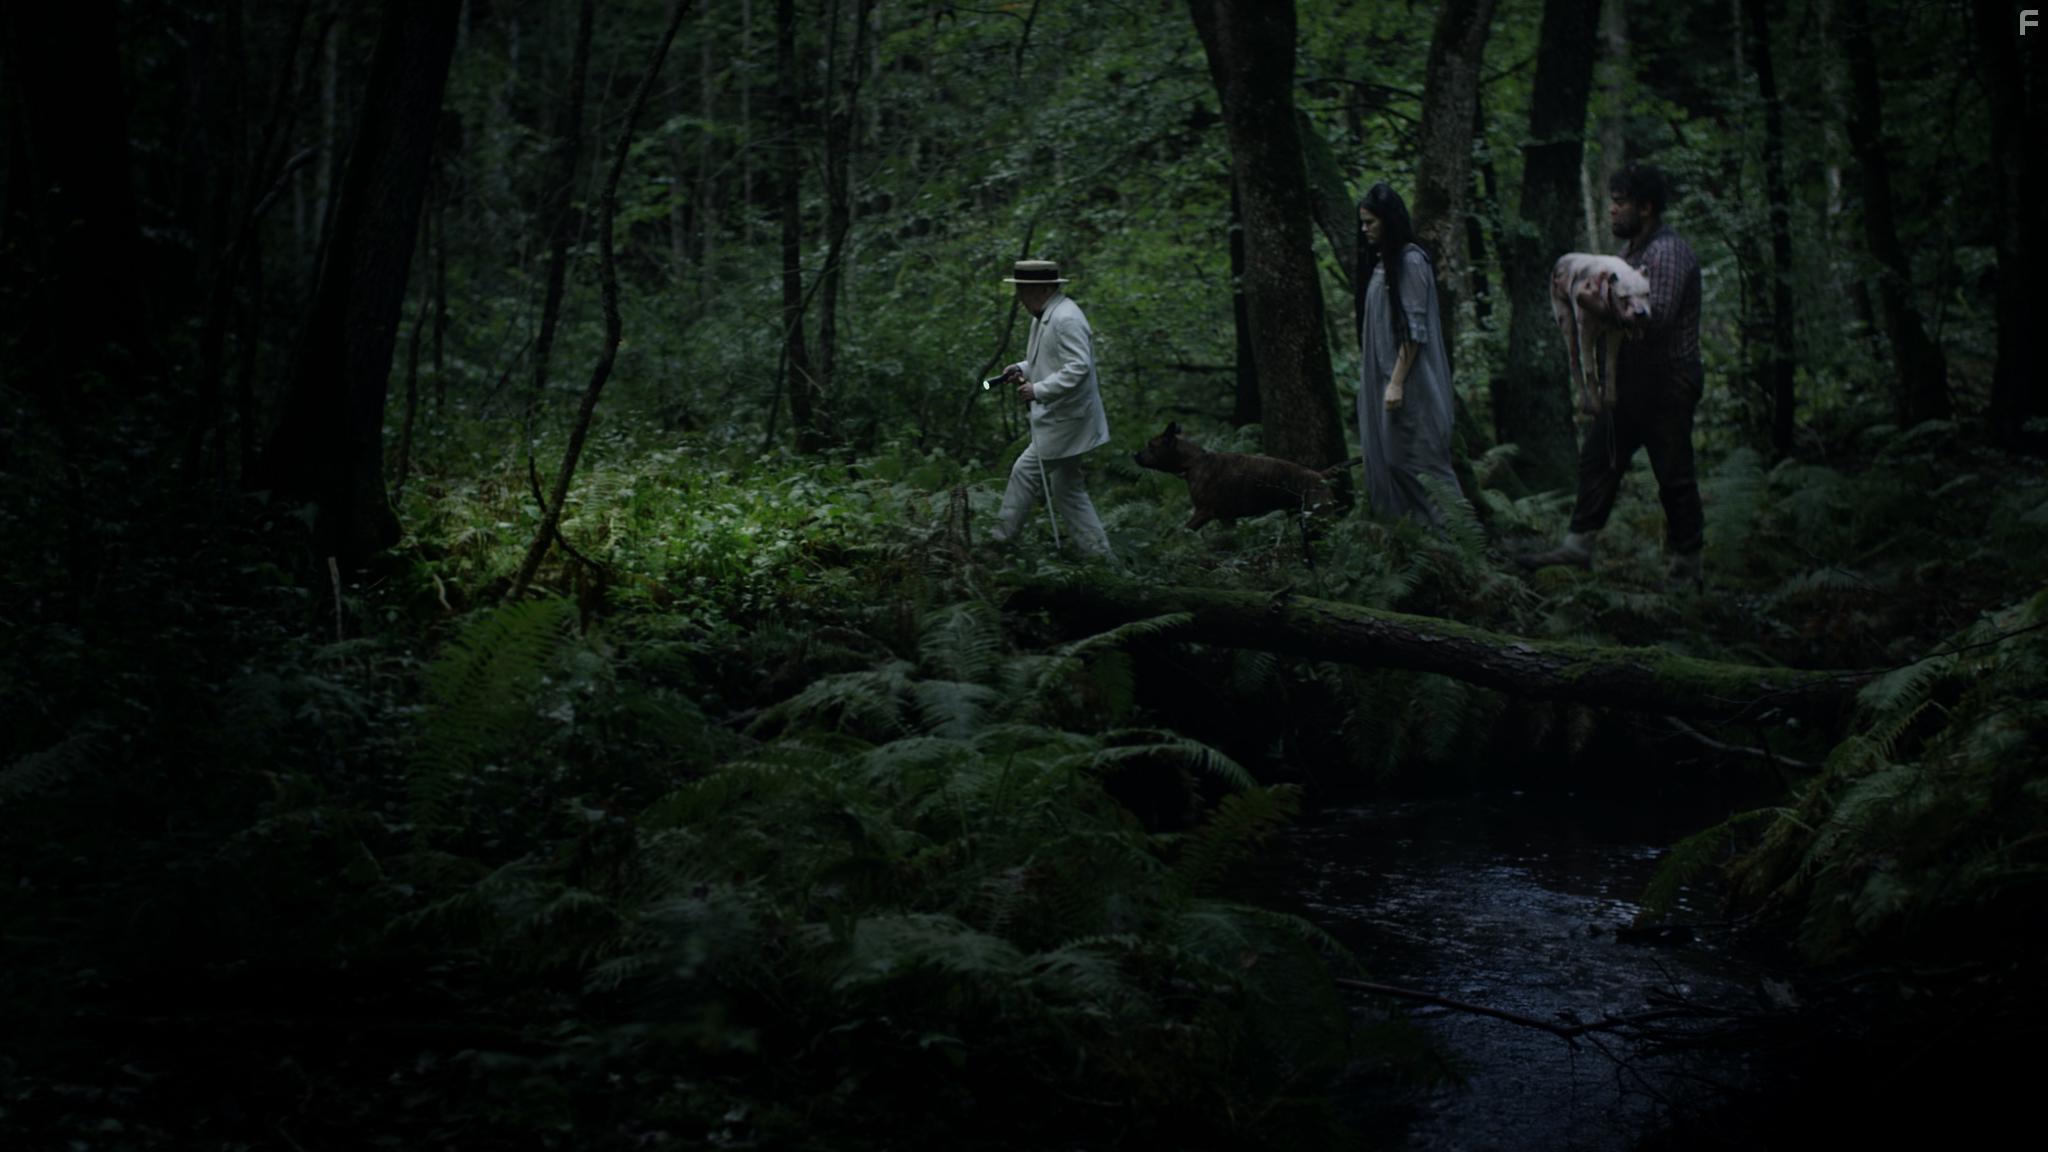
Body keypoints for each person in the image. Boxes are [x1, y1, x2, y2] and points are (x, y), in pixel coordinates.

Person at [1520, 163, 1705, 592]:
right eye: (1612, 202)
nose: (1612, 212)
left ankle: (1687, 569)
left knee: (1674, 474)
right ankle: (1578, 545)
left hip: (1668, 382)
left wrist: (1595, 306)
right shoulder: (1630, 256)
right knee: (1599, 459)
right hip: (1629, 382)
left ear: (1646, 207)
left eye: (1620, 203)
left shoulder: (1666, 253)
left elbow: (1652, 321)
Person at [986, 259, 1114, 558]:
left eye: (1023, 290)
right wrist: (1021, 368)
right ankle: (1101, 558)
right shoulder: (1045, 314)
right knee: (1068, 490)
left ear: (1042, 289)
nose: (1020, 297)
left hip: (1067, 419)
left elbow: (1078, 367)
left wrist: (1038, 390)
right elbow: (1052, 362)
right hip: (1064, 418)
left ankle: (996, 545)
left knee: (1024, 472)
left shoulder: (1066, 318)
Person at [1356, 183, 1464, 527]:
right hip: (1386, 379)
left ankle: (1458, 541)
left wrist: (1397, 383)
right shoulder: (1382, 265)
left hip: (1410, 382)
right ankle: (1413, 541)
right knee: (1388, 459)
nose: (1365, 230)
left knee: (1418, 460)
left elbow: (1414, 329)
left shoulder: (1411, 262)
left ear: (1388, 221)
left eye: (1370, 222)